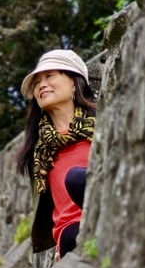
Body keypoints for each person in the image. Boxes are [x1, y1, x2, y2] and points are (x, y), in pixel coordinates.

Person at [16, 49, 96, 257]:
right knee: (71, 234)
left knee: (78, 179)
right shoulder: (40, 150)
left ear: (73, 82)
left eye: (50, 76)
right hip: (71, 234)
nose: (42, 84)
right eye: (37, 82)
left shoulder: (103, 125)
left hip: (108, 213)